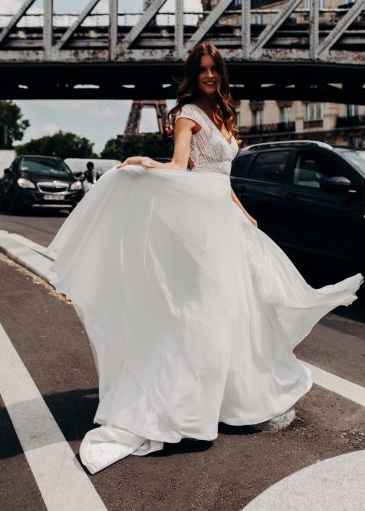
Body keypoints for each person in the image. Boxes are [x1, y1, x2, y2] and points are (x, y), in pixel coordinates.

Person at [45, 43, 363, 475]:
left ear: (222, 74)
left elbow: (223, 179)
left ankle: (226, 398)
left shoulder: (224, 115)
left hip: (226, 222)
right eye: (203, 70)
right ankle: (188, 409)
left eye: (215, 69)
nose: (210, 76)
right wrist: (147, 164)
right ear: (193, 75)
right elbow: (183, 167)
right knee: (201, 314)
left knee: (241, 311)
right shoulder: (188, 115)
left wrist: (245, 214)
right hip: (203, 229)